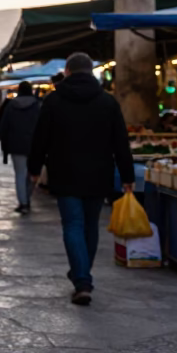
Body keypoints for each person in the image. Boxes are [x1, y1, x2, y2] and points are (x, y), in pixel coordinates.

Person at [28, 52, 134, 306]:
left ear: (67, 72)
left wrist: (34, 169)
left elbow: (40, 138)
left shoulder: (53, 101)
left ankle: (81, 278)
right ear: (91, 72)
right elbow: (121, 142)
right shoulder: (108, 102)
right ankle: (82, 273)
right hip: (99, 174)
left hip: (65, 173)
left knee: (73, 225)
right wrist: (127, 176)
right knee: (89, 225)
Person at [0, 81, 42, 213]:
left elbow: (4, 126)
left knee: (20, 174)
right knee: (32, 173)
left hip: (16, 145)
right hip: (34, 144)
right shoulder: (37, 106)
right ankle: (26, 198)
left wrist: (4, 146)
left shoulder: (11, 106)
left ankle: (23, 203)